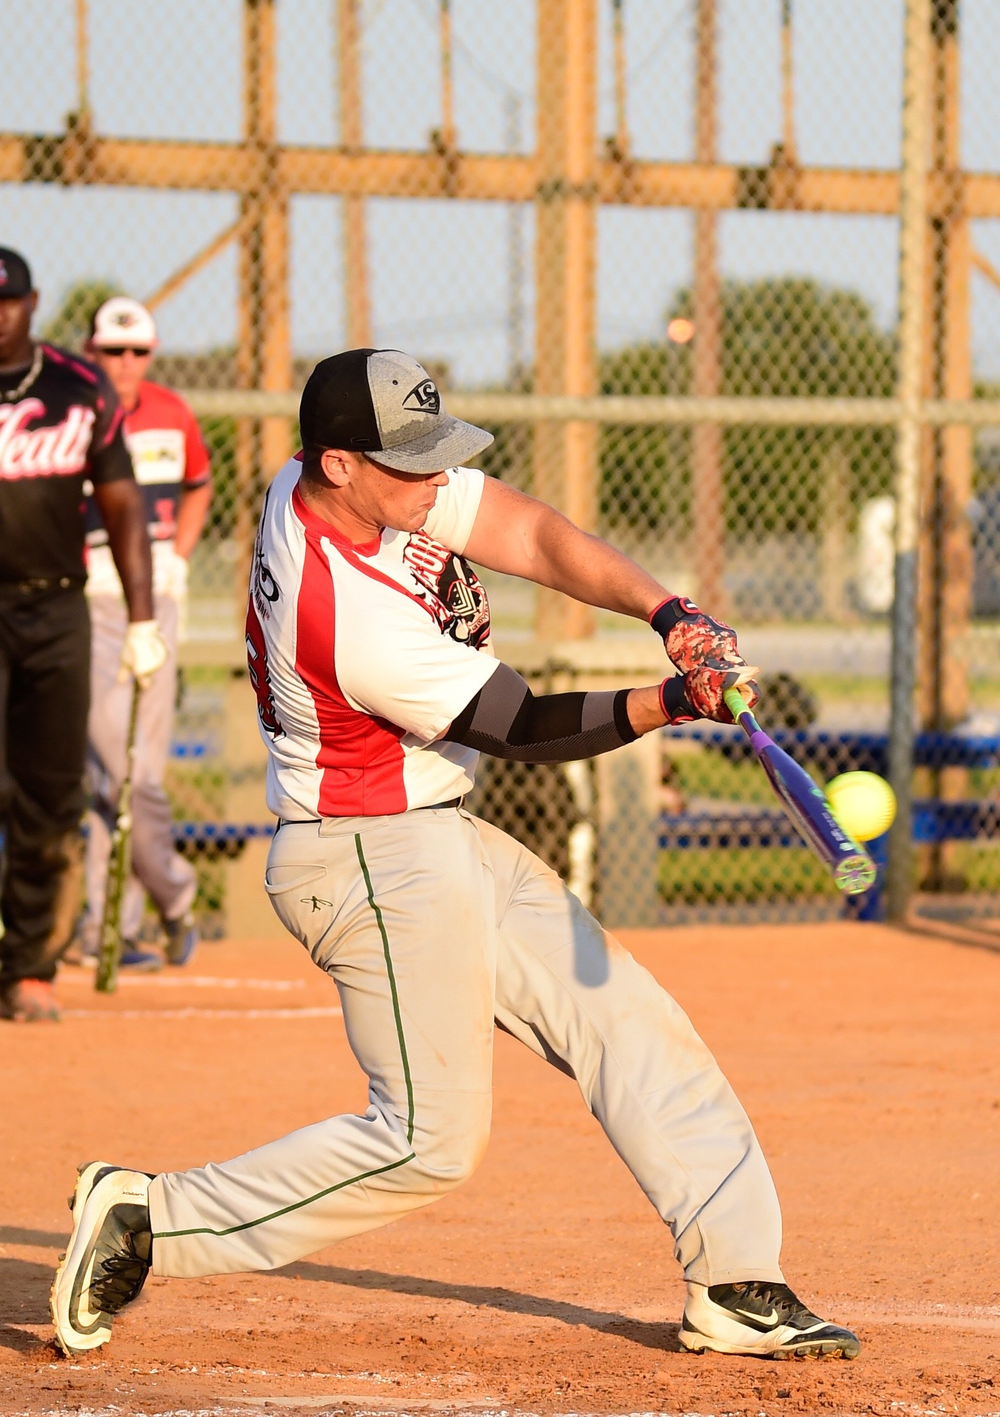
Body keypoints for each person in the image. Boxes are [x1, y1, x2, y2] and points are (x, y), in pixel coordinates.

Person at [51, 349, 860, 1362]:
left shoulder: (349, 486)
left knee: (625, 1017)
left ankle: (738, 1281)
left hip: (436, 834)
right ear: (339, 464)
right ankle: (149, 1219)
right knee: (428, 1141)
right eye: (414, 465)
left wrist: (670, 615)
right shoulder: (342, 609)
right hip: (368, 861)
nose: (438, 484)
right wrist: (669, 702)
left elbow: (523, 530)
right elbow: (519, 726)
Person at [0, 248, 167, 1022]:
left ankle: (29, 964)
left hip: (55, 611)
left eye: (9, 303)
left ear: (32, 306)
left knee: (48, 792)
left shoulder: (79, 387)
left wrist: (141, 619)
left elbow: (125, 502)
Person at [73, 297, 212, 972]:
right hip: (88, 595)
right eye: (112, 351)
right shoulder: (72, 414)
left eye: (138, 351)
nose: (127, 364)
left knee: (134, 771)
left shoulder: (171, 411)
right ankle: (176, 897)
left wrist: (179, 561)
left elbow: (199, 485)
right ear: (90, 351)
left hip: (155, 596)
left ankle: (108, 929)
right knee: (115, 764)